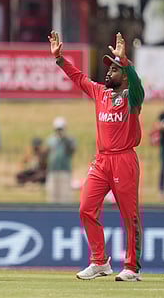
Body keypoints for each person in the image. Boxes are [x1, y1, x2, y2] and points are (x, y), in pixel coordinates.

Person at [49, 31, 145, 281]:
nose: (107, 73)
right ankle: (99, 261)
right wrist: (60, 59)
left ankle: (132, 268)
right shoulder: (100, 93)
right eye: (108, 69)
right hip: (102, 160)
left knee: (129, 214)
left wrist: (126, 62)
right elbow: (78, 78)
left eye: (113, 70)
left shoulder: (131, 98)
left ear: (123, 75)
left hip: (124, 159)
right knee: (86, 208)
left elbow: (138, 87)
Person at [45, 117, 76, 203]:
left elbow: (71, 151)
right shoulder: (51, 139)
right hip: (53, 170)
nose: (59, 131)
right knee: (52, 195)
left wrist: (64, 140)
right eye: (58, 129)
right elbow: (47, 152)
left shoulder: (69, 139)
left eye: (61, 129)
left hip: (65, 170)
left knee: (65, 196)